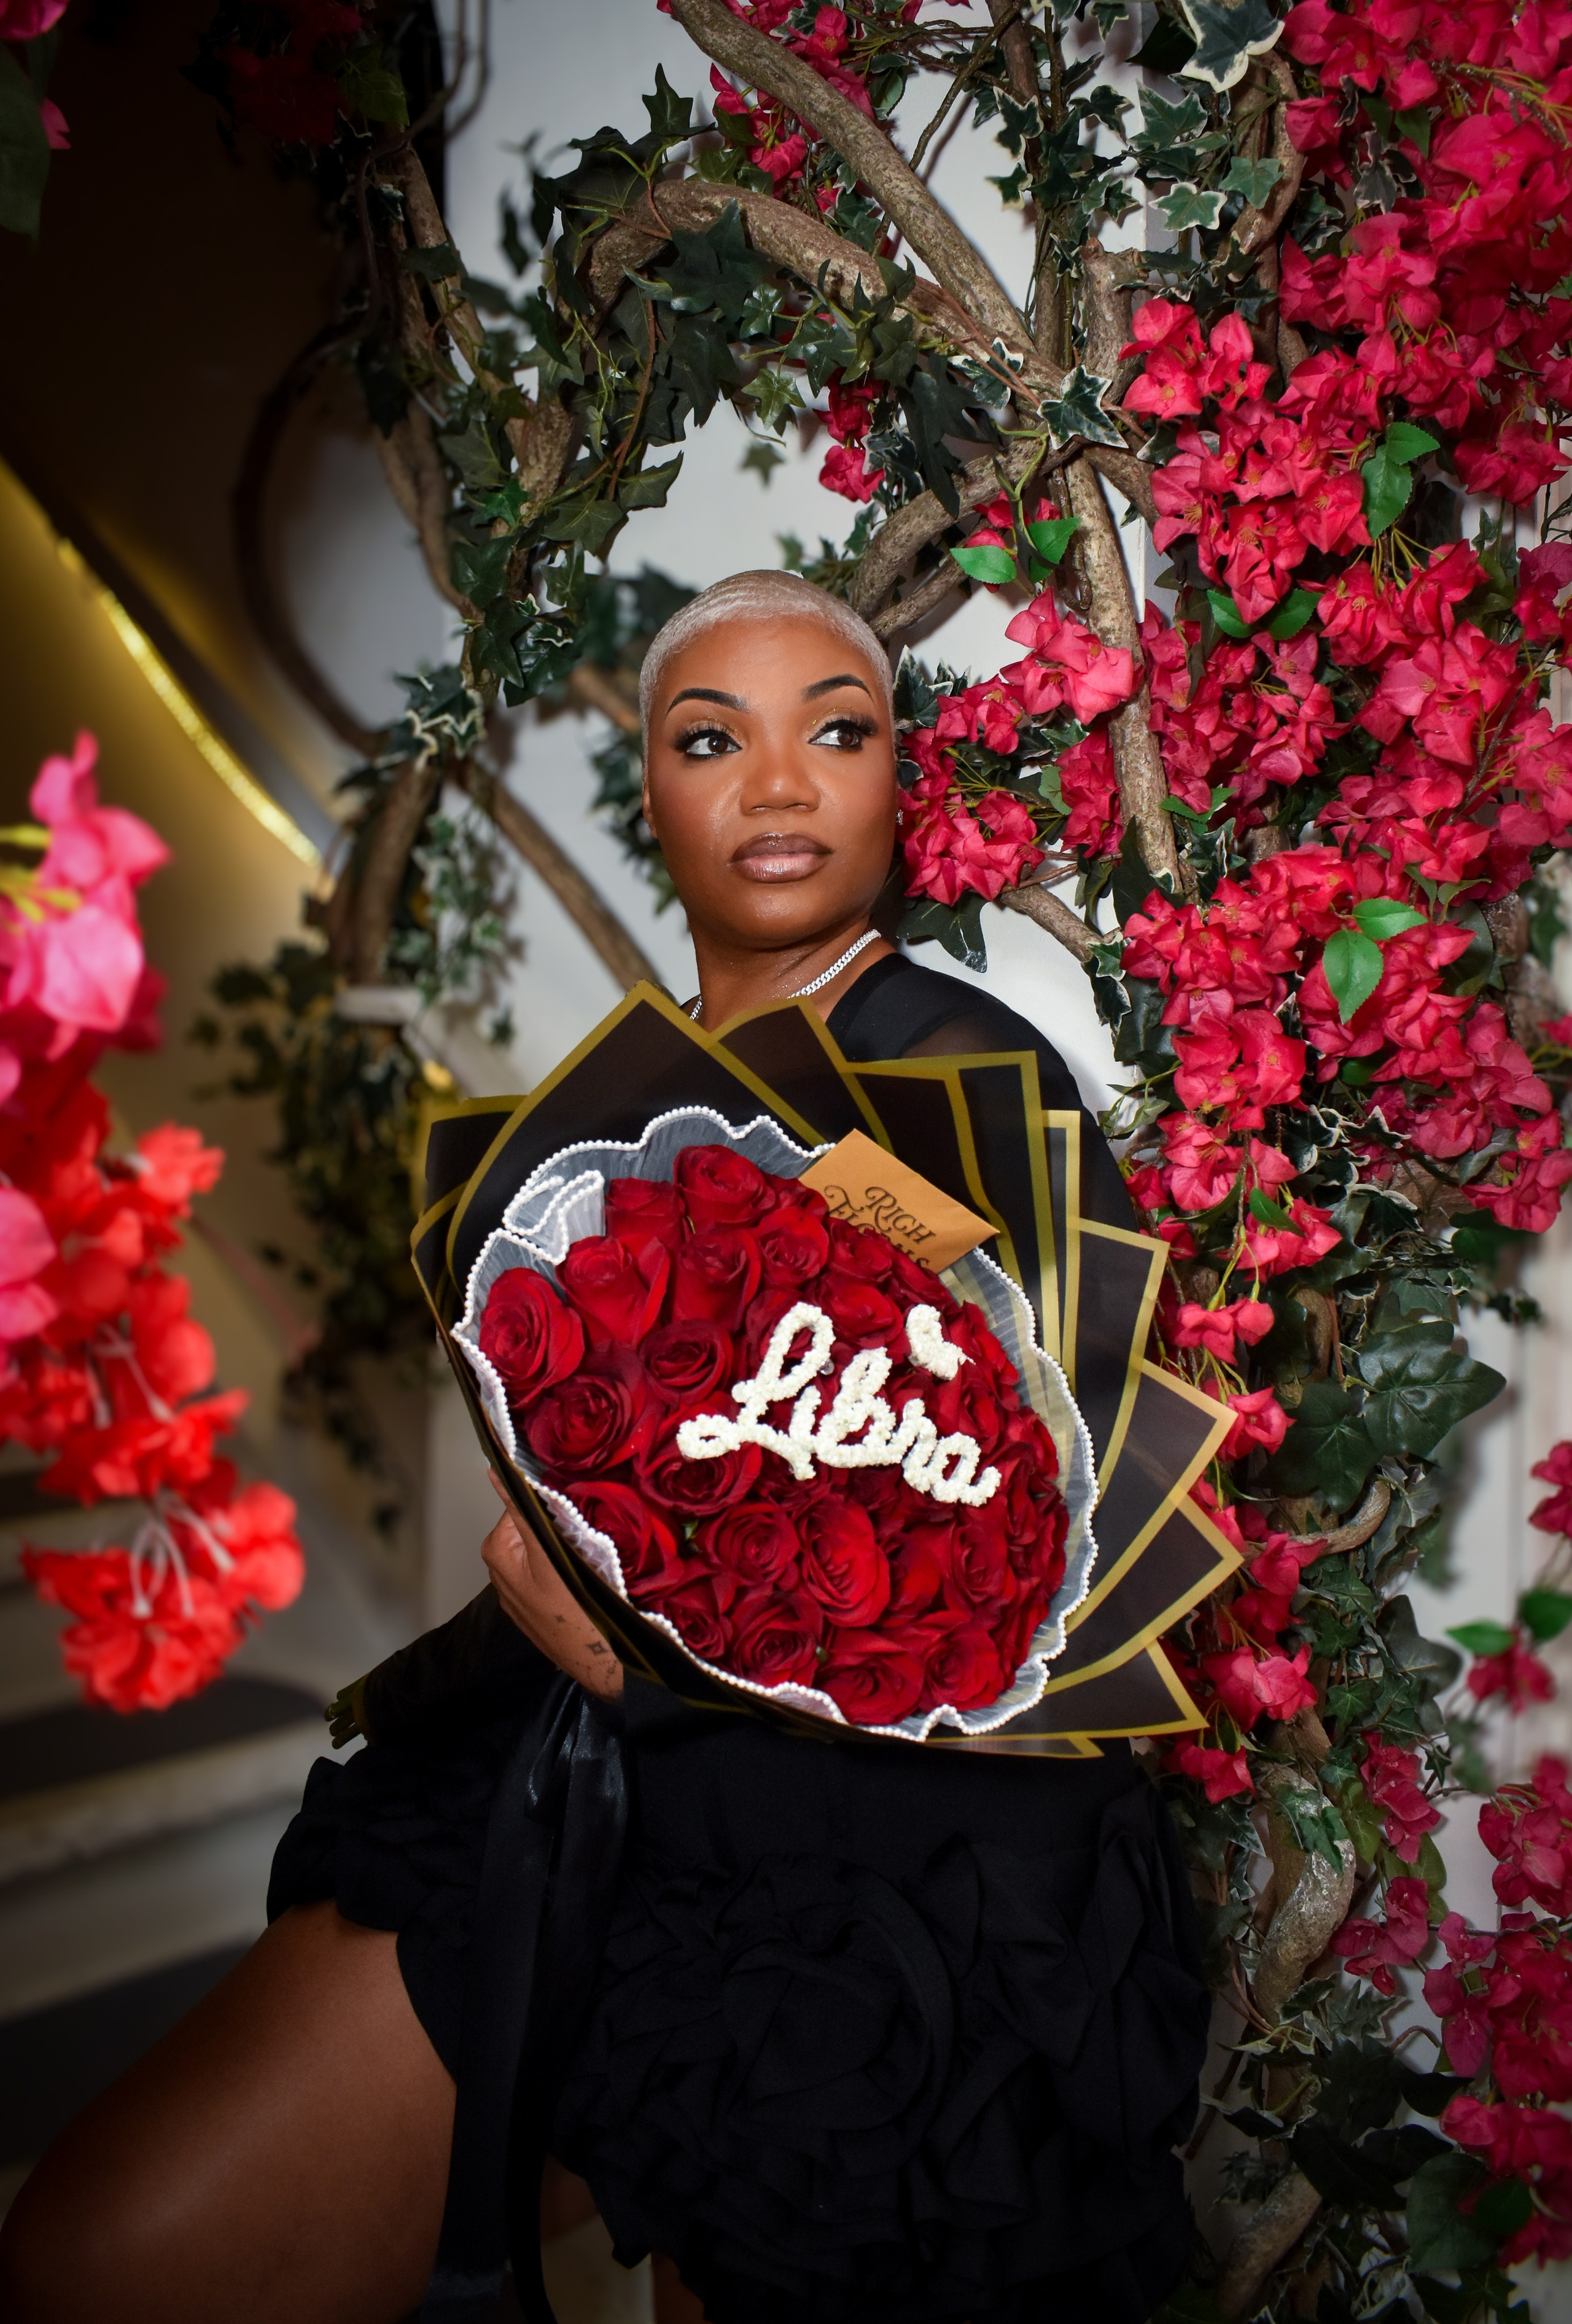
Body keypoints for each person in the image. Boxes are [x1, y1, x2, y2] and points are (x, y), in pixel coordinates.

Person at [0, 571, 1209, 2324]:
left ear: (896, 784)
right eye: (713, 738)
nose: (781, 783)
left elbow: (1039, 1573)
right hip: (594, 1791)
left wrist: (660, 1642)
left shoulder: (957, 1076)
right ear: (648, 791)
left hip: (868, 1888)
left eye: (838, 732)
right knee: (105, 2251)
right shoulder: (633, 1101)